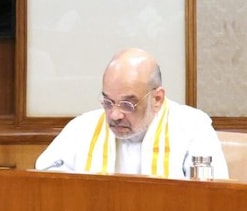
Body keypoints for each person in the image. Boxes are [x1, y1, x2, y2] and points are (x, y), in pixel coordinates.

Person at [35, 48, 228, 179]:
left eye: (127, 104)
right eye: (108, 102)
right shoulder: (82, 128)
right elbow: (47, 181)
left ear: (157, 99)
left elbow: (210, 199)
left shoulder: (192, 128)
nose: (115, 115)